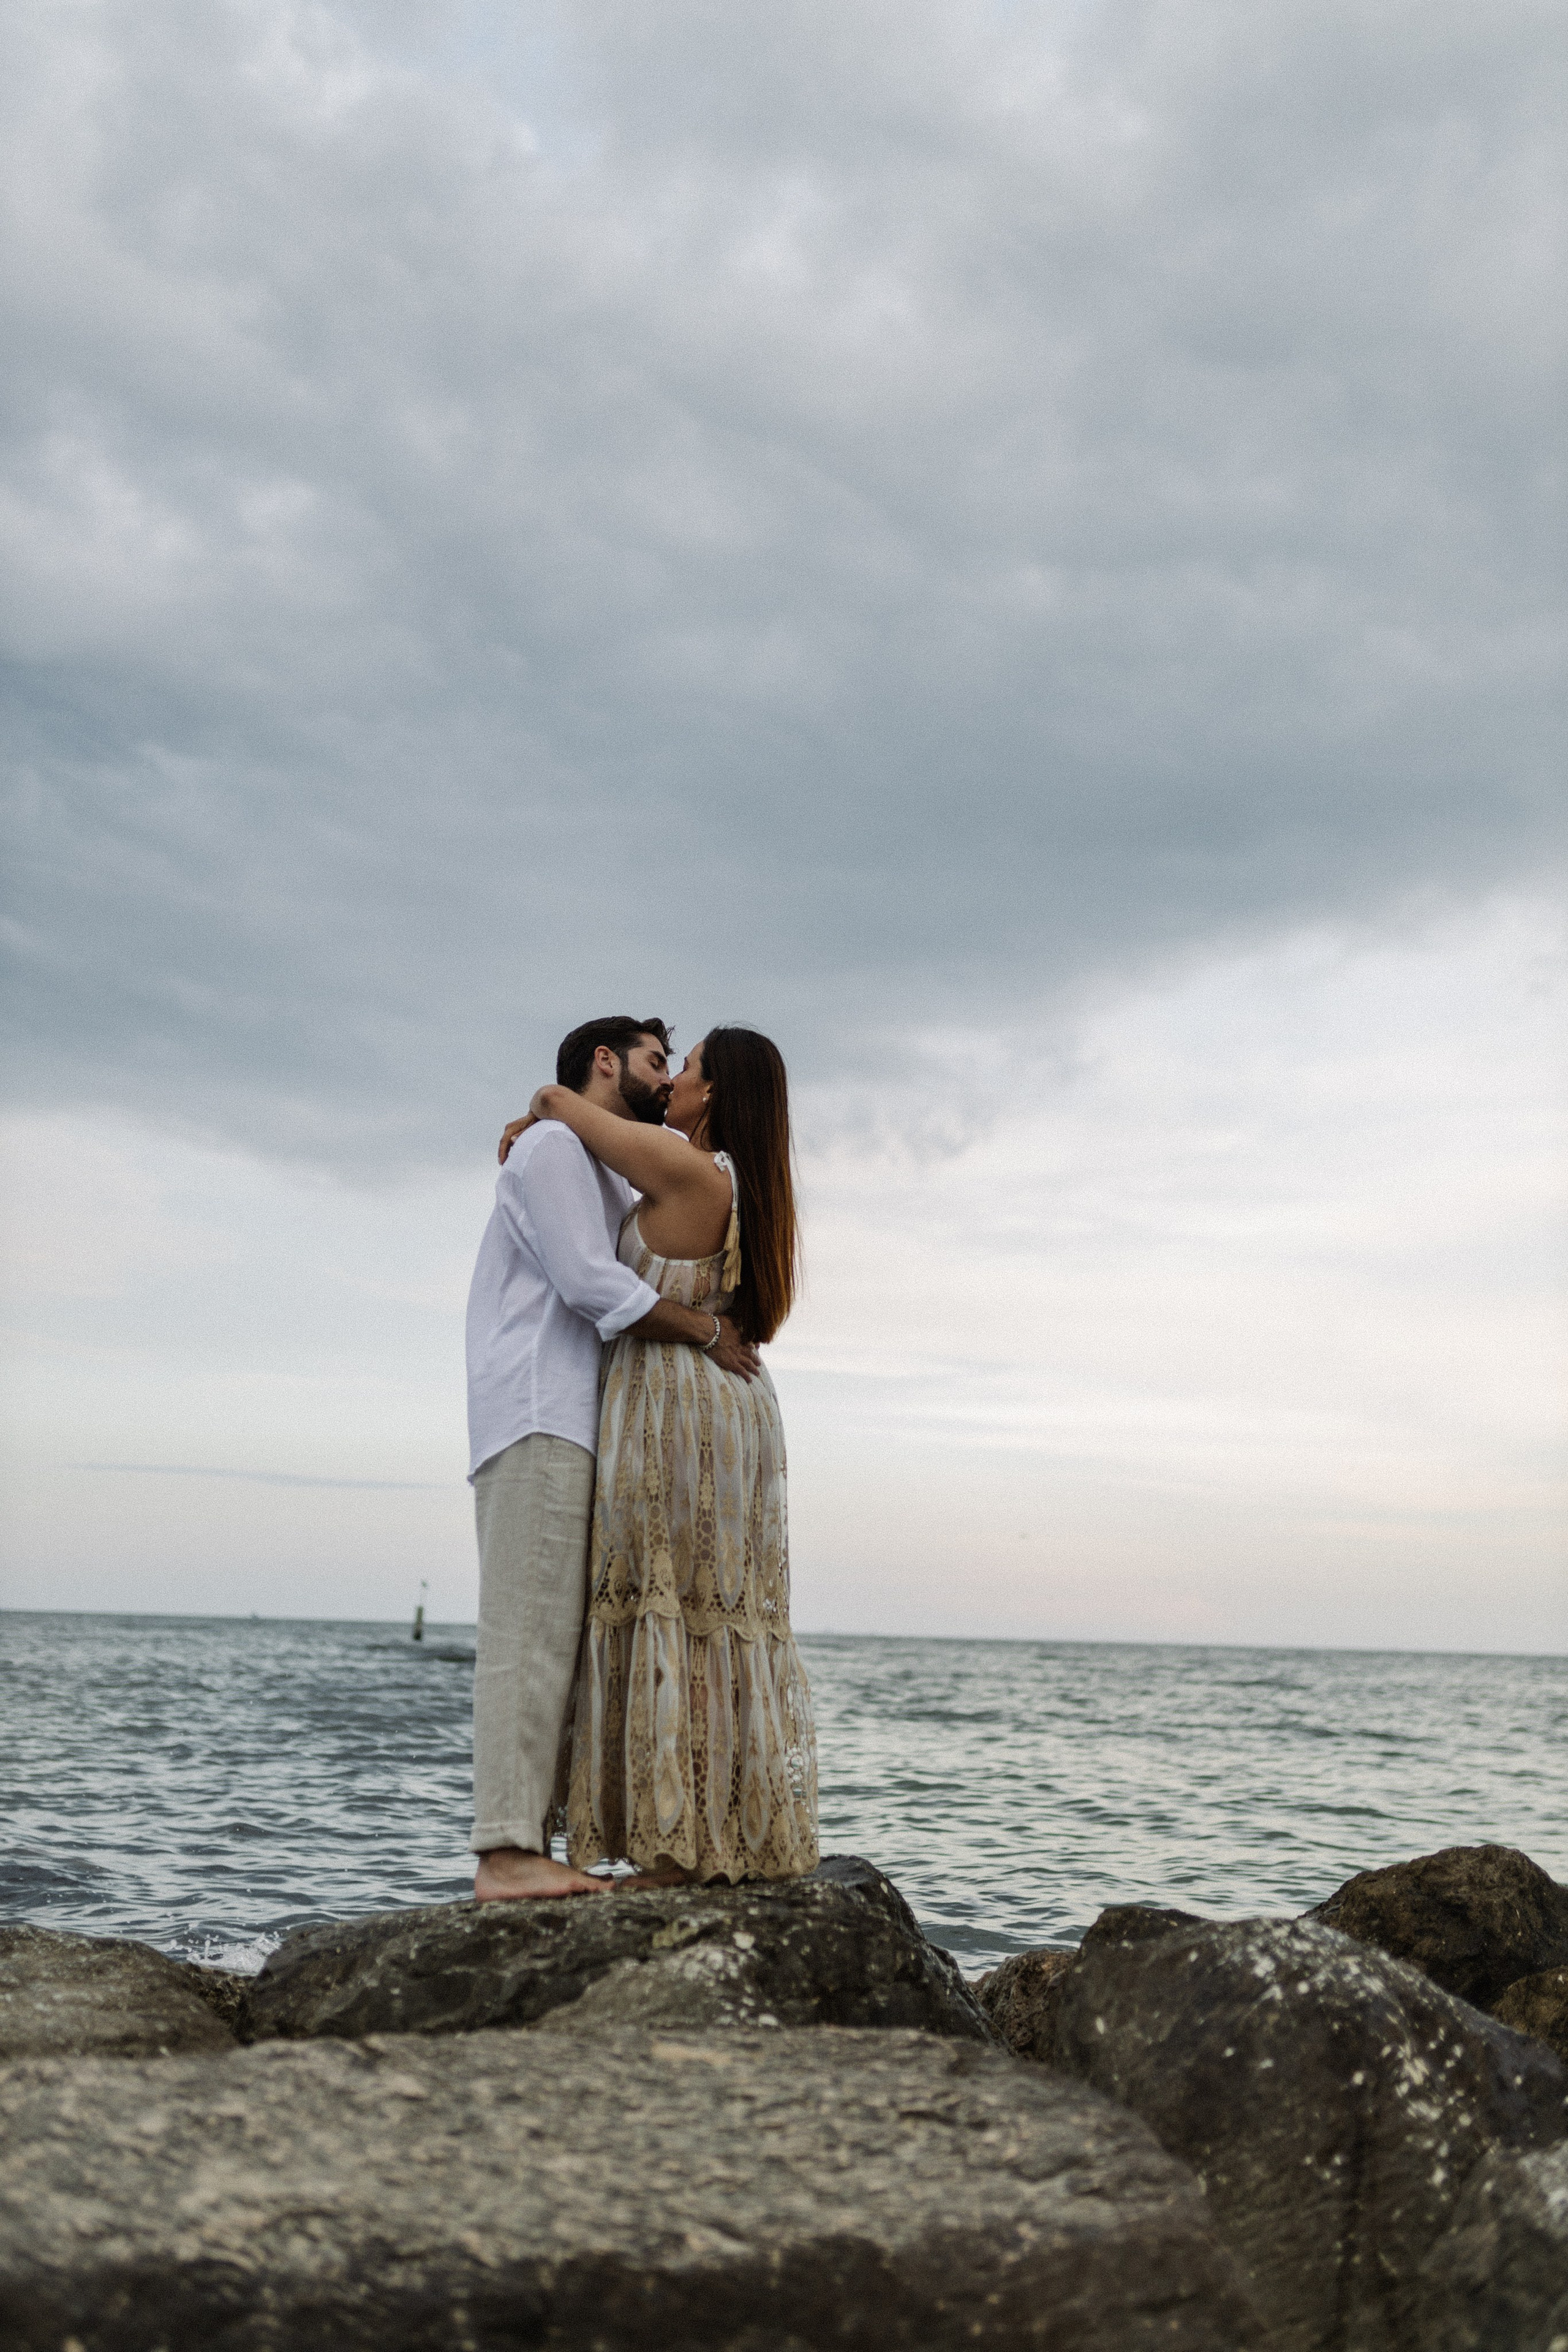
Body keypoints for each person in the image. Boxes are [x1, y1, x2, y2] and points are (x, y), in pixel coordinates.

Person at [514, 1027, 819, 1885]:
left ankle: (675, 1850)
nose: (675, 1082)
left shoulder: (688, 1167)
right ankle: (711, 1835)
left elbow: (571, 1113)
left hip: (676, 1405)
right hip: (729, 1410)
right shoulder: (747, 1187)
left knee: (672, 1611)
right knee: (708, 1619)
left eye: (685, 1070)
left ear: (714, 1095)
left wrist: (540, 1103)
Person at [466, 1014, 760, 1903]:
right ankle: (506, 1853)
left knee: (556, 1639)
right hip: (538, 1409)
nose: (668, 1079)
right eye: (656, 1061)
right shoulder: (556, 1148)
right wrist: (707, 1332)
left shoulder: (591, 1163)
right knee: (525, 1633)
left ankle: (531, 1842)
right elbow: (591, 1284)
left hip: (570, 1417)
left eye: (679, 1066)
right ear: (606, 1062)